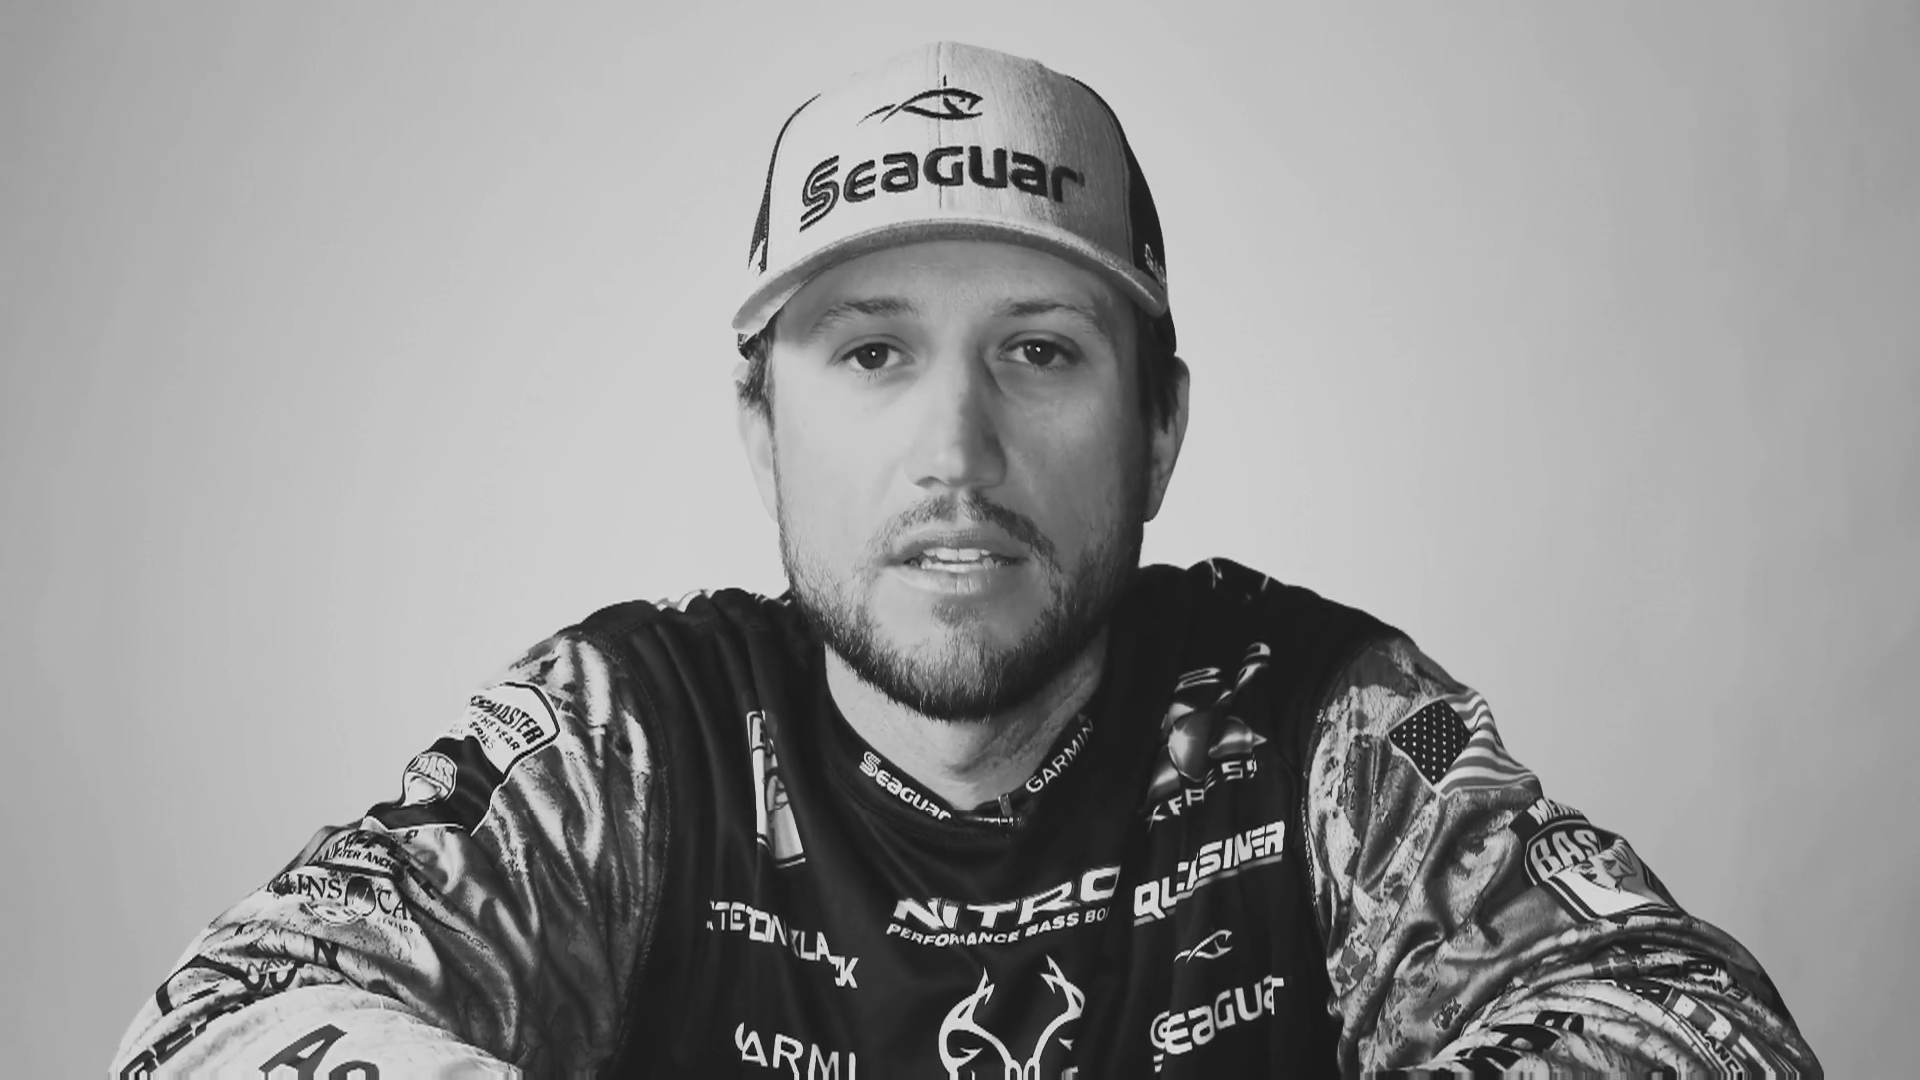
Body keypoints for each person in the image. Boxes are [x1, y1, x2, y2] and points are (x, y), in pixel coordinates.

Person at [113, 42, 1821, 1078]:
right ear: (760, 427)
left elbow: (1691, 1026)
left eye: (1040, 352)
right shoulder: (634, 734)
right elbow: (224, 1019)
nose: (955, 450)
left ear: (1158, 429)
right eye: (872, 353)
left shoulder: (1311, 718)